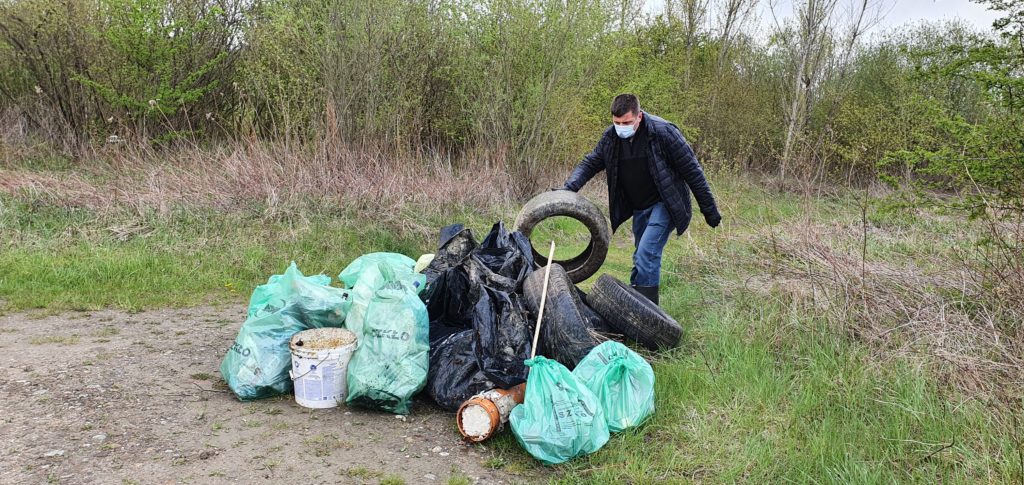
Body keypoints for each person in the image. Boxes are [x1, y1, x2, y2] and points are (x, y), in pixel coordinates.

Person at [561, 94, 721, 305]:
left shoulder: (663, 133)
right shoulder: (611, 138)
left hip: (666, 203)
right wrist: (568, 189)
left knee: (647, 254)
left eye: (627, 122)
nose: (621, 127)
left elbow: (693, 171)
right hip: (639, 206)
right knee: (640, 258)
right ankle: (634, 308)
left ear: (639, 116)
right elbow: (590, 163)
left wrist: (710, 210)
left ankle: (649, 316)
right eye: (617, 123)